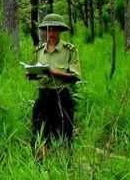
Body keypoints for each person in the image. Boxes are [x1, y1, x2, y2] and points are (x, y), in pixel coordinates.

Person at [27, 13, 81, 157]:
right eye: (49, 29)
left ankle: (65, 164)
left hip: (61, 96)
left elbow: (75, 77)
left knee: (64, 133)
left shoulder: (69, 50)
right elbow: (36, 72)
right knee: (39, 132)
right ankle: (40, 164)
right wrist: (32, 74)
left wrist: (53, 72)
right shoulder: (39, 51)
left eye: (55, 29)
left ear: (60, 31)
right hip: (43, 96)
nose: (51, 32)